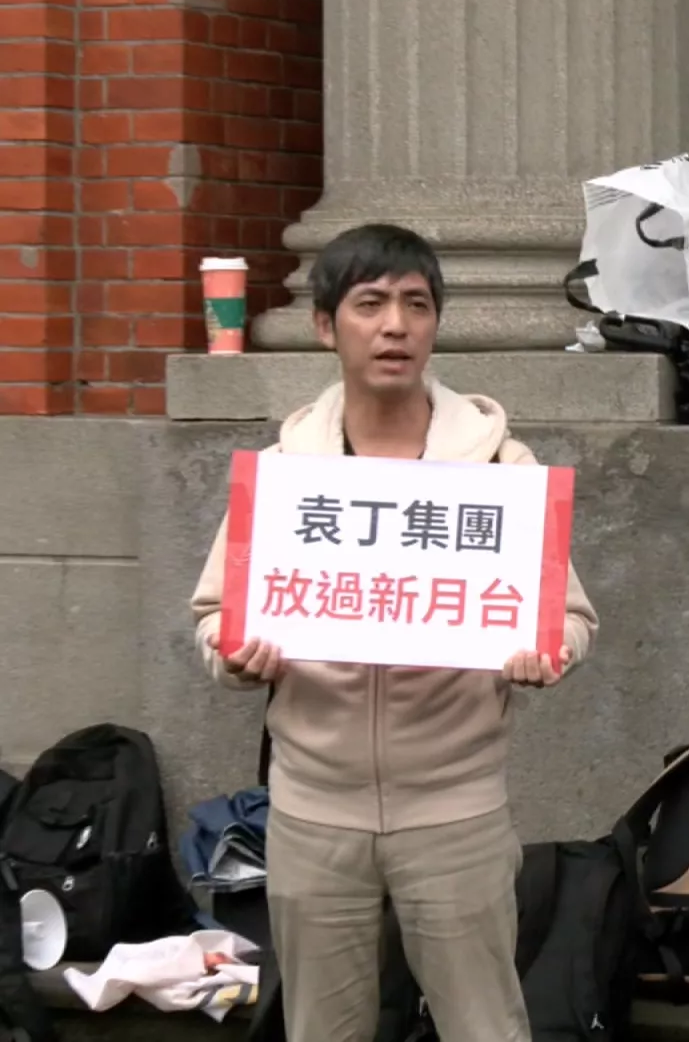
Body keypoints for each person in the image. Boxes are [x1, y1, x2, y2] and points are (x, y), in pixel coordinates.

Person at [188, 223, 598, 1042]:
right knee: (321, 1029)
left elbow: (570, 616)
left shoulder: (498, 471)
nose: (395, 326)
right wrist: (235, 657)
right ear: (325, 326)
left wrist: (549, 650)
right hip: (312, 813)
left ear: (436, 324)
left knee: (485, 1027)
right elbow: (213, 617)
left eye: (416, 305)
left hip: (456, 811)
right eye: (369, 304)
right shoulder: (285, 475)